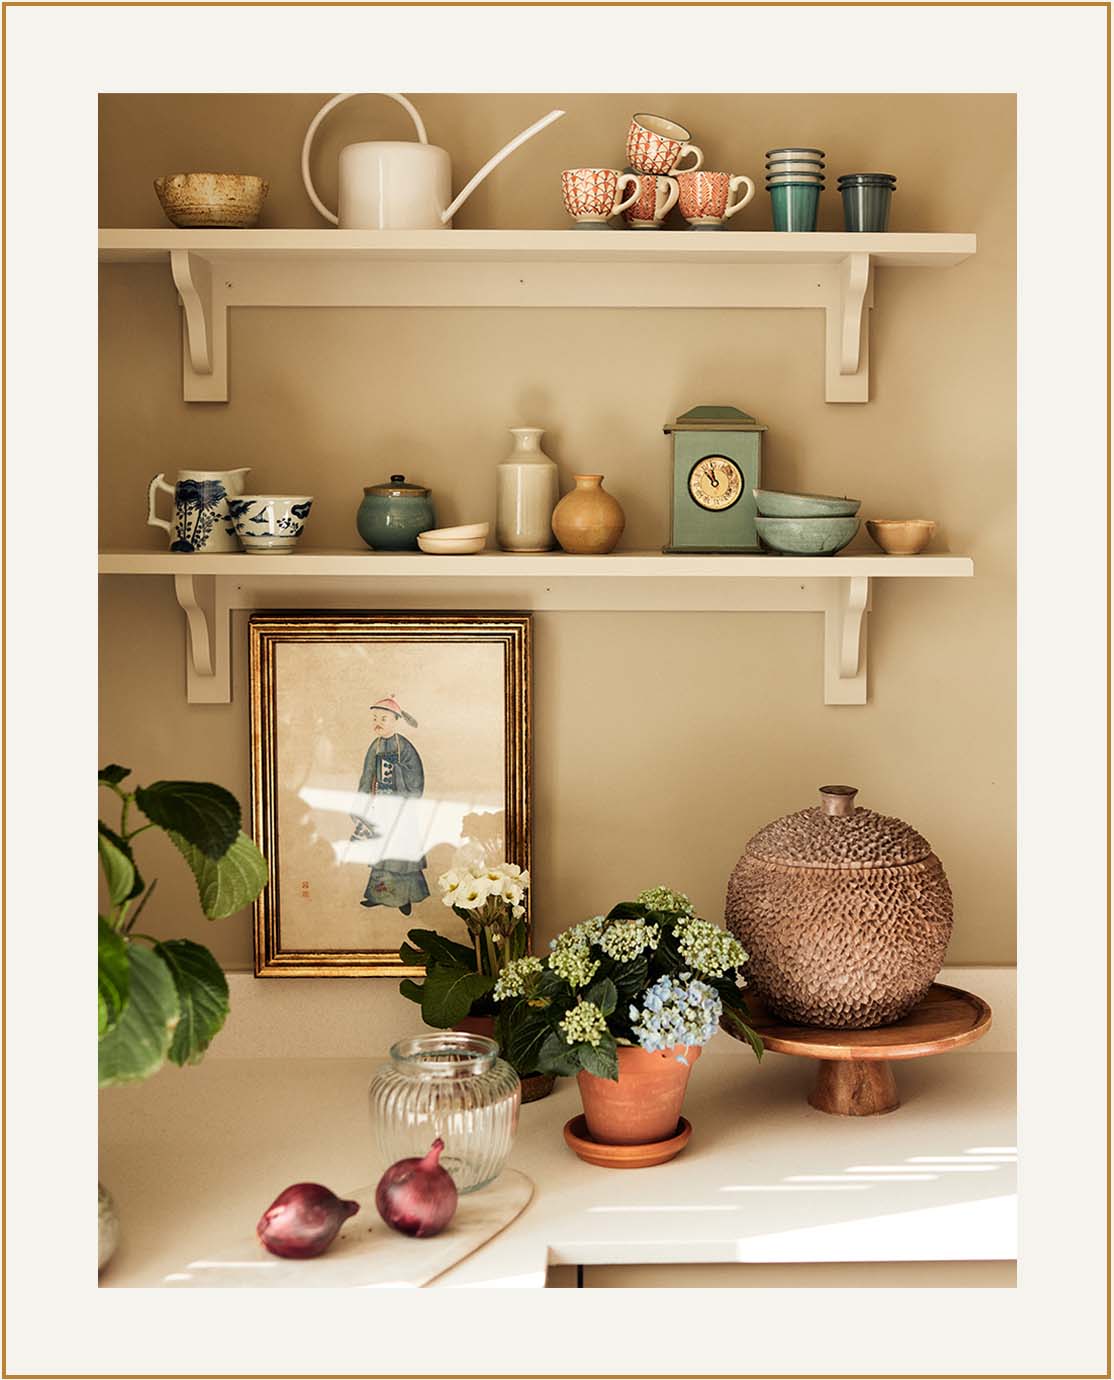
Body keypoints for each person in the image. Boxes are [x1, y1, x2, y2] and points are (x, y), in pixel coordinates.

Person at [350, 696, 430, 915]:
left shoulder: (403, 746)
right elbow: (366, 777)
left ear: (395, 720)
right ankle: (378, 895)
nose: (378, 722)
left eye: (383, 718)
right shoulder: (374, 747)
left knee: (401, 855)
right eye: (375, 718)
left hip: (401, 808)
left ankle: (405, 897)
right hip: (380, 809)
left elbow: (416, 776)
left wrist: (396, 773)